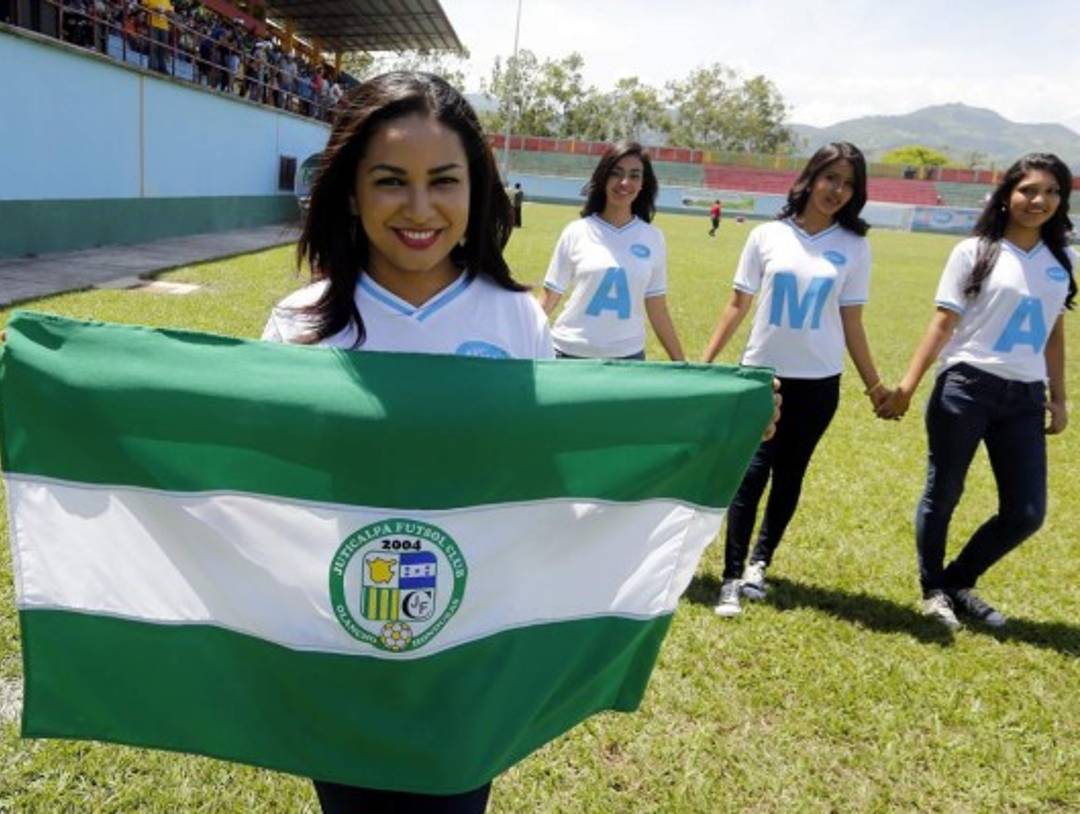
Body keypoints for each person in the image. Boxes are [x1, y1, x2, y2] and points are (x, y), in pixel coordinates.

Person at [262, 71, 551, 813]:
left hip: (465, 646)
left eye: (443, 182)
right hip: (339, 641)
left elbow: (543, 471)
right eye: (391, 181)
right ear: (350, 191)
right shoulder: (297, 325)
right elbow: (264, 486)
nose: (419, 209)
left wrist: (734, 416)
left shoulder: (517, 320)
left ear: (476, 191)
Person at [877, 154, 1074, 629]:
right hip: (966, 388)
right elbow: (942, 322)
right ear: (1008, 194)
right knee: (943, 493)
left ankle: (958, 580)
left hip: (1025, 398)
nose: (1039, 200)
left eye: (1051, 191)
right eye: (1029, 189)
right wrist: (906, 385)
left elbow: (1053, 331)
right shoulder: (974, 251)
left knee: (1026, 512)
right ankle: (933, 590)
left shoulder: (1063, 260)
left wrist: (1060, 396)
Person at [703, 142, 887, 618]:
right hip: (762, 376)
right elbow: (737, 304)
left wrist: (875, 387)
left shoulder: (854, 246)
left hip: (820, 382)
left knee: (790, 474)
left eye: (849, 184)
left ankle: (758, 565)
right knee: (750, 474)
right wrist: (705, 361)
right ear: (810, 178)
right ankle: (729, 578)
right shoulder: (767, 235)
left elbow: (853, 322)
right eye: (831, 178)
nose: (838, 190)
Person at [538, 142, 686, 362]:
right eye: (616, 174)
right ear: (603, 177)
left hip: (628, 360)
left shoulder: (653, 238)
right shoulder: (576, 231)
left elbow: (657, 308)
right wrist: (511, 340)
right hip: (568, 355)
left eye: (634, 176)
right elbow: (549, 299)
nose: (624, 182)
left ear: (643, 184)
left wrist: (682, 363)